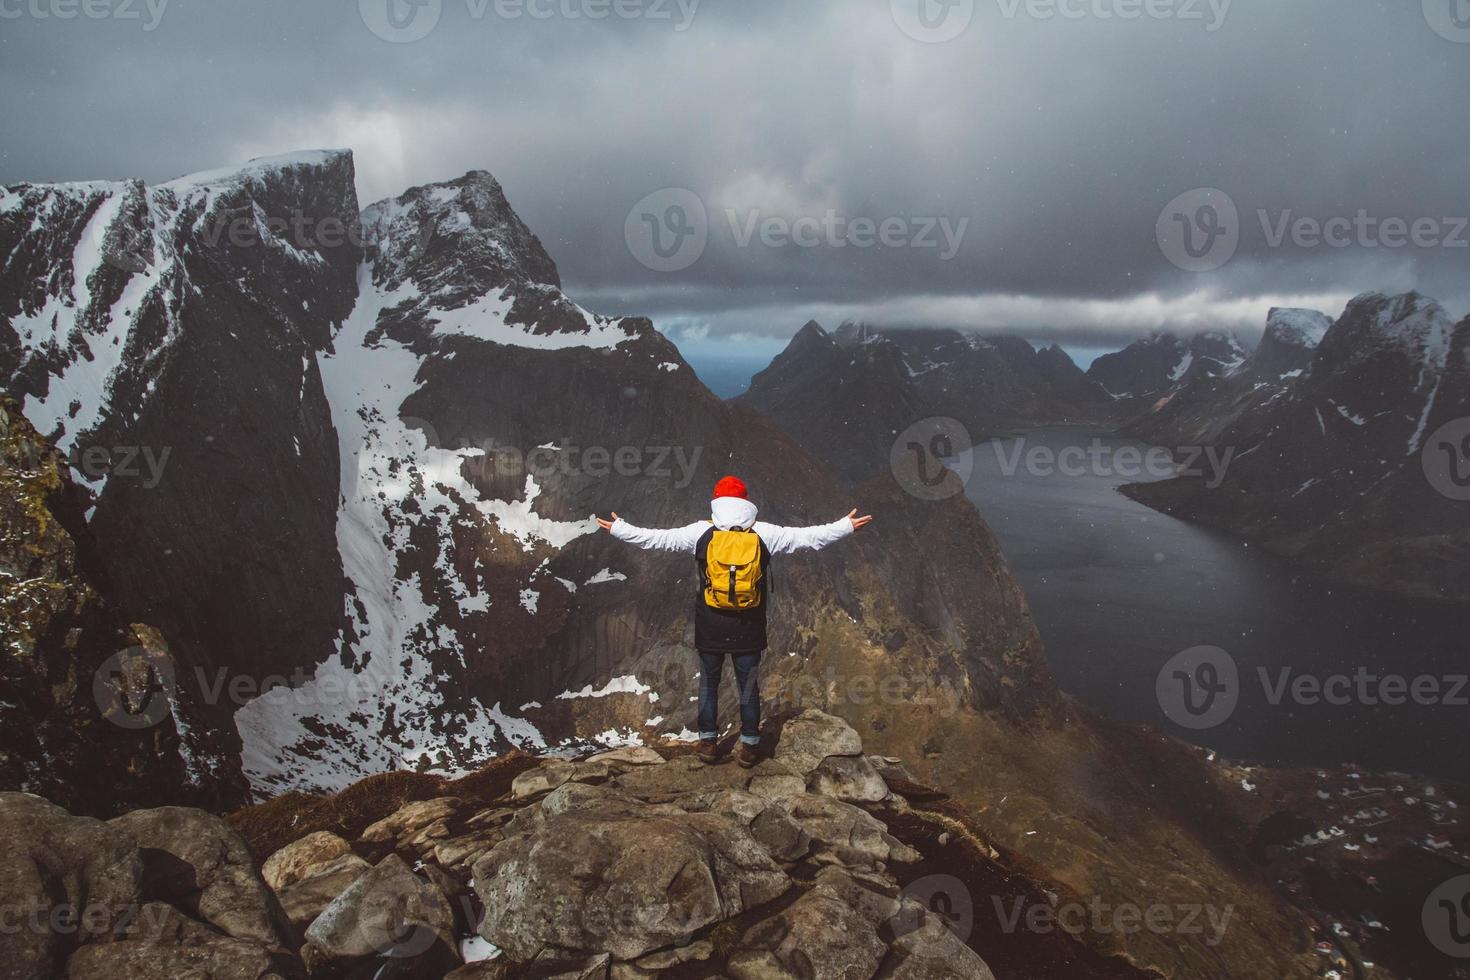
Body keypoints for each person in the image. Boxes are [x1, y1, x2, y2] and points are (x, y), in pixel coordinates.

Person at [597, 476, 872, 768]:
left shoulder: (702, 532)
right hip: (748, 625)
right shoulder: (763, 533)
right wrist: (845, 526)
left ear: (716, 501)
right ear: (746, 502)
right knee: (748, 686)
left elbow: (657, 539)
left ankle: (708, 744)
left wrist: (619, 529)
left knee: (709, 685)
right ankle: (750, 747)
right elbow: (807, 538)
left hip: (710, 624)